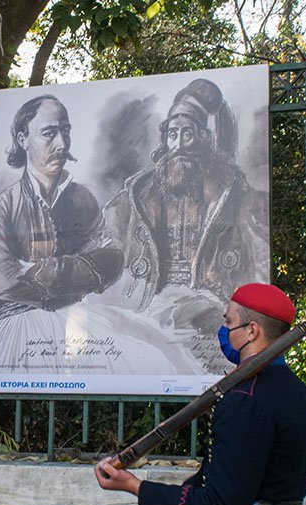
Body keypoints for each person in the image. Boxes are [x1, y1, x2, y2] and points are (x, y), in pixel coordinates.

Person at [95, 283, 306, 505]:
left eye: (229, 323)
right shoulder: (297, 393)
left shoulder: (245, 399)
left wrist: (135, 486)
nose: (224, 330)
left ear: (252, 331)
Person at [103, 78, 269, 334]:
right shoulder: (139, 191)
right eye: (172, 134)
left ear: (203, 139)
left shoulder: (231, 190)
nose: (178, 145)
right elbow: (105, 243)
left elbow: (260, 256)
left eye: (187, 134)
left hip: (211, 306)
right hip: (148, 306)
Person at [0, 94, 130, 374]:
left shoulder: (82, 199)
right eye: (49, 133)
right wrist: (82, 274)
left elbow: (113, 259)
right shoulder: (3, 207)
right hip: (18, 330)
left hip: (80, 325)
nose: (61, 144)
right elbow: (6, 285)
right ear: (23, 139)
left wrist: (53, 270)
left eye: (65, 132)